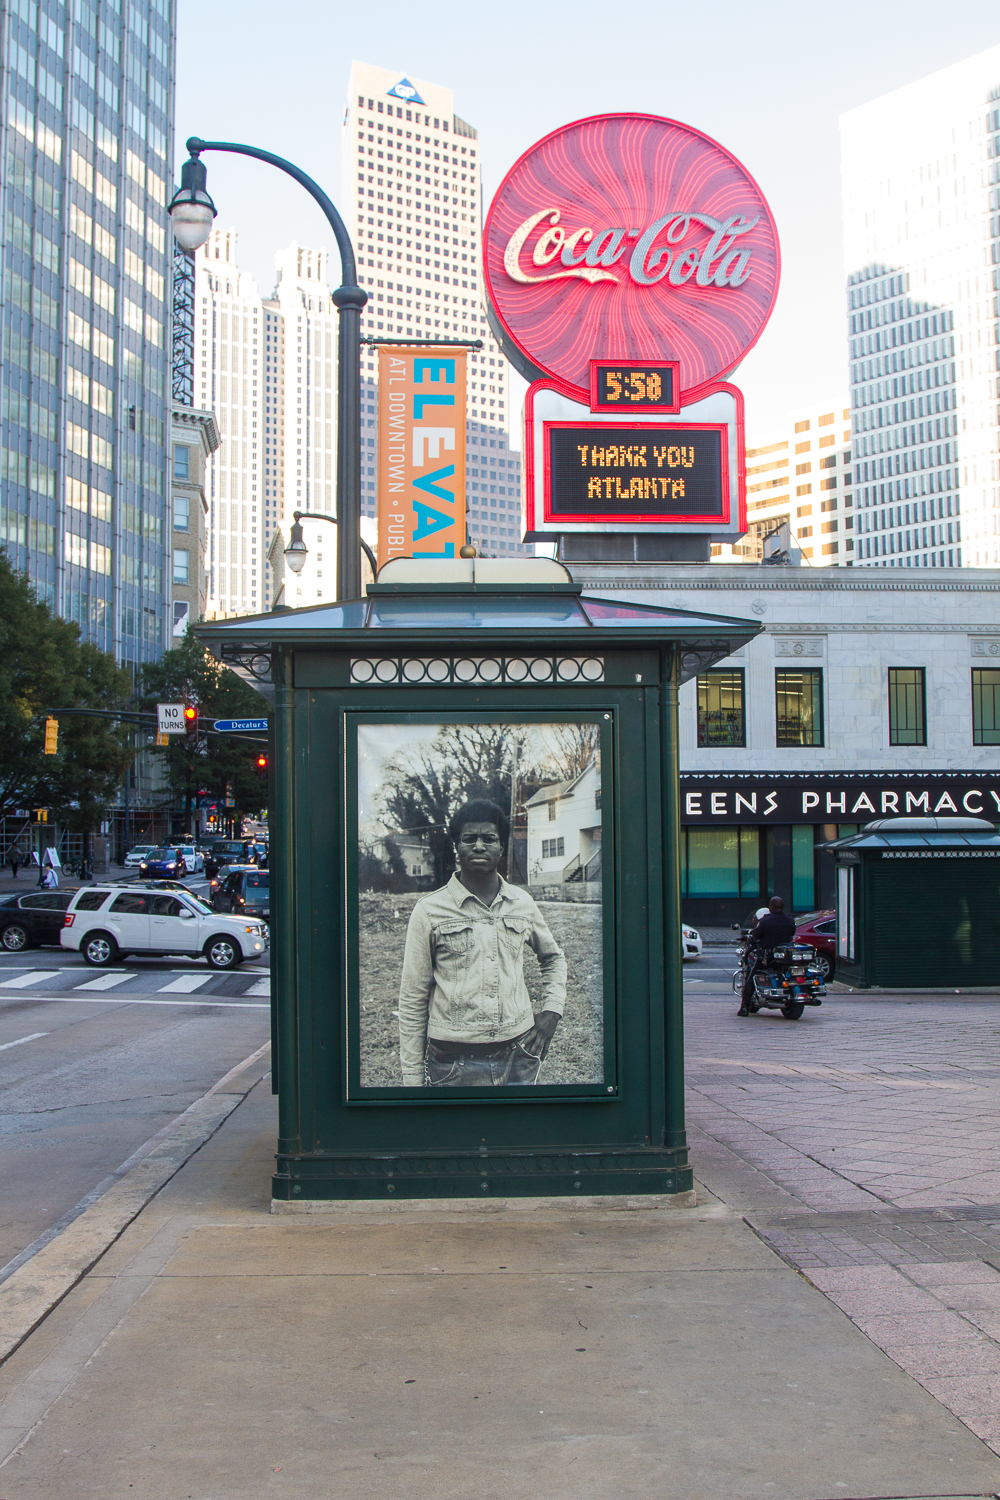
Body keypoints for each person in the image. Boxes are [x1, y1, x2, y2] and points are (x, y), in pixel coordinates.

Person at [397, 797, 568, 1087]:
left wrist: (552, 1010)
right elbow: (412, 999)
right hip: (454, 1064)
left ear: (502, 847)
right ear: (457, 846)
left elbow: (553, 958)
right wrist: (413, 1082)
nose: (479, 846)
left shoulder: (521, 903)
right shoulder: (428, 910)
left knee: (517, 1133)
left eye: (489, 839)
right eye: (469, 838)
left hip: (520, 1056)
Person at [738, 896, 796, 1015]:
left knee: (751, 976)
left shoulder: (765, 921)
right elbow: (792, 933)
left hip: (769, 957)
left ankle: (744, 1007)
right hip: (785, 957)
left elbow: (755, 936)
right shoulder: (790, 920)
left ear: (771, 907)